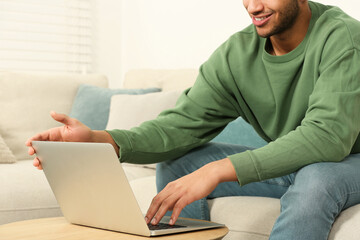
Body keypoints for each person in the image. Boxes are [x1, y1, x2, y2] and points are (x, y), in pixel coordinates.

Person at [26, 0, 360, 239]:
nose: (252, 6)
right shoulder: (236, 55)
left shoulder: (342, 37)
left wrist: (216, 170)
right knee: (180, 162)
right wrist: (101, 140)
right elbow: (179, 127)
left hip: (348, 163)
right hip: (299, 166)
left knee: (316, 180)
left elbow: (326, 137)